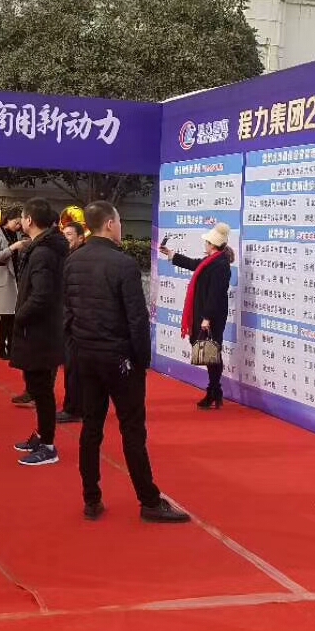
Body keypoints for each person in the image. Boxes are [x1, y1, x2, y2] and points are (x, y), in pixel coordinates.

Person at [64, 201, 189, 523]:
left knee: (91, 427)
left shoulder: (73, 260)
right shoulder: (123, 264)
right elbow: (137, 318)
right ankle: (149, 501)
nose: (120, 227)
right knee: (132, 430)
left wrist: (76, 348)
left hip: (86, 356)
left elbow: (68, 311)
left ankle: (91, 498)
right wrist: (142, 361)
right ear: (109, 224)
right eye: (118, 222)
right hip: (120, 360)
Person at [11, 199, 70, 468]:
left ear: (29, 220)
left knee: (42, 389)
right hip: (41, 329)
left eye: (23, 217)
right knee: (38, 387)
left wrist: (21, 316)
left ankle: (47, 445)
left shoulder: (43, 252)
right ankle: (41, 434)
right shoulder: (43, 248)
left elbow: (42, 295)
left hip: (39, 331)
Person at [159, 222, 234, 410]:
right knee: (210, 352)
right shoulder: (211, 260)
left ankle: (214, 391)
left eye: (206, 242)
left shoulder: (220, 265)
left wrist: (207, 318)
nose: (205, 244)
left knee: (211, 353)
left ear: (212, 244)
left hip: (212, 316)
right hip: (205, 313)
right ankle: (215, 391)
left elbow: (216, 294)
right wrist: (171, 254)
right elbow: (192, 264)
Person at [57, 216, 87, 425]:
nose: (66, 238)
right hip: (69, 319)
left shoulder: (79, 260)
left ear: (81, 238)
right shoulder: (67, 256)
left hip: (76, 322)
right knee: (72, 368)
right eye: (64, 234)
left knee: (75, 368)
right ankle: (74, 406)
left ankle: (74, 408)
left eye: (69, 235)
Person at [0, 206, 26, 364]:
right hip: (4, 279)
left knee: (14, 315)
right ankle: (2, 345)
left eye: (20, 223)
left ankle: (10, 346)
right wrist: (13, 247)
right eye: (16, 222)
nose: (18, 226)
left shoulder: (19, 234)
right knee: (6, 316)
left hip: (17, 277)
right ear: (8, 220)